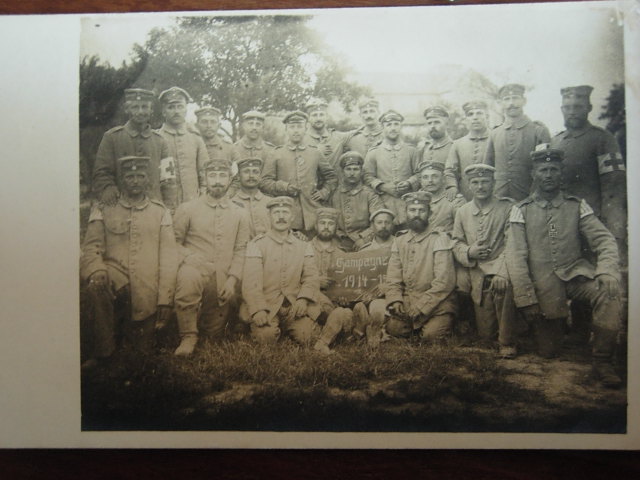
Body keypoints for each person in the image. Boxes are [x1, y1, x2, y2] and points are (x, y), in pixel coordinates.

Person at [506, 145, 622, 388]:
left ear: (561, 173)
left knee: (609, 292)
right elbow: (516, 258)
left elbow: (604, 240)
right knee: (548, 351)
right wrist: (527, 299)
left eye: (553, 169)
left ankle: (603, 360)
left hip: (575, 275)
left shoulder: (576, 205)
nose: (548, 175)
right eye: (543, 170)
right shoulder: (521, 210)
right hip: (543, 285)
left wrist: (607, 270)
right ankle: (570, 328)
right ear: (534, 174)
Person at [80, 156, 177, 367]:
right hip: (116, 279)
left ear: (147, 179)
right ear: (121, 179)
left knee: (141, 355)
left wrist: (165, 298)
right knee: (97, 284)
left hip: (147, 287)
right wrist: (96, 269)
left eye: (140, 176)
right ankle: (103, 352)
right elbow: (91, 248)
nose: (135, 181)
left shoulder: (160, 212)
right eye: (129, 176)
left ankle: (129, 337)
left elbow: (169, 259)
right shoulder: (104, 208)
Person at [172, 160, 251, 356]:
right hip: (195, 270)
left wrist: (232, 280)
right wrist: (189, 256)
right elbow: (172, 243)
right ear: (205, 179)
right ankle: (188, 336)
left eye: (222, 176)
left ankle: (209, 325)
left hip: (223, 277)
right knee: (188, 276)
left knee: (212, 335)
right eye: (212, 176)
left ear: (230, 179)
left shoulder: (240, 213)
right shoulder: (188, 209)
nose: (217, 181)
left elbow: (241, 249)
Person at [549, 85, 626, 253]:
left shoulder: (603, 139)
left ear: (589, 108)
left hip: (591, 222)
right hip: (561, 222)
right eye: (567, 107)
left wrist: (615, 233)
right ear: (562, 109)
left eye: (578, 107)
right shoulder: (555, 142)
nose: (572, 112)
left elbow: (614, 188)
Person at [452, 164, 517, 357]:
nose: (480, 186)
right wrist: (469, 251)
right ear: (469, 185)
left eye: (485, 182)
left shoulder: (507, 208)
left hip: (501, 267)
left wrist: (502, 272)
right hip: (476, 272)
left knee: (504, 286)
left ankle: (507, 342)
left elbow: (513, 243)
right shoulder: (462, 211)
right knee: (485, 335)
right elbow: (456, 242)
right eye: (475, 182)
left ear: (493, 183)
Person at [241, 196, 323, 345]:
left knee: (308, 337)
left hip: (293, 304)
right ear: (269, 216)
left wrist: (303, 299)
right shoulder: (256, 245)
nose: (281, 217)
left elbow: (311, 277)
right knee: (266, 338)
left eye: (285, 212)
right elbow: (251, 282)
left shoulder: (304, 245)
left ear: (292, 217)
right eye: (276, 213)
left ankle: (290, 326)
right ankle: (265, 326)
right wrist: (258, 309)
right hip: (267, 304)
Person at [385, 191, 457, 341]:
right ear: (406, 212)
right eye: (412, 210)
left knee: (431, 336)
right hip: (410, 299)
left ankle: (444, 324)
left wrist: (422, 307)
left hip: (437, 302)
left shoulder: (440, 239)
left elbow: (444, 282)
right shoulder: (400, 240)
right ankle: (414, 329)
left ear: (429, 213)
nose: (416, 214)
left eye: (421, 210)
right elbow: (393, 276)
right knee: (393, 329)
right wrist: (396, 299)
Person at [261, 111, 337, 234]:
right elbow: (264, 182)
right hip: (286, 214)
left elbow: (331, 177)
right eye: (292, 127)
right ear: (286, 129)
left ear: (306, 129)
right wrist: (284, 187)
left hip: (312, 213)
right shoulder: (276, 153)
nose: (296, 131)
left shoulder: (315, 152)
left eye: (300, 126)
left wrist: (323, 192)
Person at [92, 88, 168, 204]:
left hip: (154, 205)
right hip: (122, 204)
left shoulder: (160, 141)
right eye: (135, 107)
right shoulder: (112, 137)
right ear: (127, 109)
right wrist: (107, 187)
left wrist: (169, 205)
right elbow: (101, 172)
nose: (140, 112)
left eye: (144, 107)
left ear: (151, 110)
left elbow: (168, 178)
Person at [484, 84, 551, 201]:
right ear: (501, 103)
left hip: (530, 196)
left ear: (524, 101)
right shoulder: (495, 133)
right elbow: (487, 168)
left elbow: (546, 168)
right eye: (507, 99)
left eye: (515, 98)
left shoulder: (538, 130)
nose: (511, 103)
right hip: (499, 197)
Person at [363, 110, 420, 227]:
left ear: (401, 126)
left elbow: (420, 174)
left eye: (396, 124)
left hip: (408, 204)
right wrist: (383, 186)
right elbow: (367, 176)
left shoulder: (412, 151)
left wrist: (409, 183)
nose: (393, 128)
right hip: (383, 204)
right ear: (382, 128)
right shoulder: (373, 152)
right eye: (389, 125)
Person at [156, 86, 210, 211]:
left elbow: (205, 172)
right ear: (163, 111)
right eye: (171, 107)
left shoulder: (195, 138)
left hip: (194, 206)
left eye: (180, 107)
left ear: (186, 110)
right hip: (165, 207)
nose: (176, 111)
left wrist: (202, 198)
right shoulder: (157, 138)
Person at [330, 151, 385, 251]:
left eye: (356, 169)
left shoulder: (370, 194)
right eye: (348, 169)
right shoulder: (335, 194)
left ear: (361, 172)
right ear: (342, 172)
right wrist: (339, 236)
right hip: (339, 241)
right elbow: (330, 219)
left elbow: (380, 221)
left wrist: (364, 238)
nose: (352, 173)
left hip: (365, 242)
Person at [445, 100, 491, 201]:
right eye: (470, 114)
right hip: (466, 198)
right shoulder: (458, 144)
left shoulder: (496, 139)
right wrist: (452, 186)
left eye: (479, 113)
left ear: (487, 116)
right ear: (466, 119)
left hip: (492, 197)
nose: (475, 117)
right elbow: (450, 170)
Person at [418, 161, 465, 234]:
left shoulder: (455, 200)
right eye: (425, 177)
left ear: (443, 179)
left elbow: (462, 231)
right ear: (420, 181)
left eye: (435, 176)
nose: (430, 180)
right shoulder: (415, 199)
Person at [231, 158, 272, 238]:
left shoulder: (270, 203)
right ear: (238, 176)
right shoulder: (231, 203)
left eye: (255, 172)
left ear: (260, 176)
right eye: (246, 172)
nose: (251, 176)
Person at [303, 98, 346, 169]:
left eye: (321, 115)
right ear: (308, 118)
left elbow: (355, 133)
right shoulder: (301, 139)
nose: (318, 118)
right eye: (314, 115)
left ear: (327, 117)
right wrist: (315, 152)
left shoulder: (338, 136)